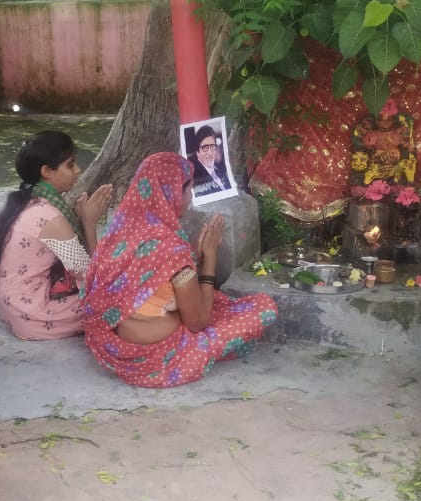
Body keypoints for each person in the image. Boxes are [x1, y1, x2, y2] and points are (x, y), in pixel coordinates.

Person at [82, 153, 279, 388]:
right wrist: (210, 258)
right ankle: (192, 352)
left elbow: (119, 280)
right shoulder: (173, 250)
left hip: (112, 346)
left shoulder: (120, 230)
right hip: (160, 356)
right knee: (264, 309)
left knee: (215, 300)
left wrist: (190, 262)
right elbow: (197, 323)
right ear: (173, 193)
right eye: (189, 191)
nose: (188, 198)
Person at [0, 131, 114, 339]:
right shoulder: (50, 218)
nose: (78, 170)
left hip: (15, 307)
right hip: (34, 316)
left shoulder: (27, 199)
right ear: (47, 171)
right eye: (70, 164)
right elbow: (93, 278)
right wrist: (89, 223)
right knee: (118, 293)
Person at [189, 124, 231, 197]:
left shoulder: (221, 172)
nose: (209, 152)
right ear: (197, 152)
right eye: (205, 147)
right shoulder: (194, 176)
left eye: (212, 146)